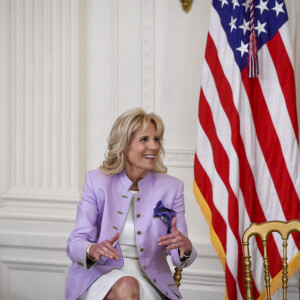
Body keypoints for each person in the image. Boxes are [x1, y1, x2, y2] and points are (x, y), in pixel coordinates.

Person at [66, 108, 197, 300]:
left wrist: (185, 248)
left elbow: (180, 259)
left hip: (152, 281)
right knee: (127, 286)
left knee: (129, 286)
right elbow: (75, 242)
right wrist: (92, 250)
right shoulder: (97, 182)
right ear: (124, 144)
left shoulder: (172, 188)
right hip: (99, 276)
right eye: (144, 139)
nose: (154, 146)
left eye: (157, 139)